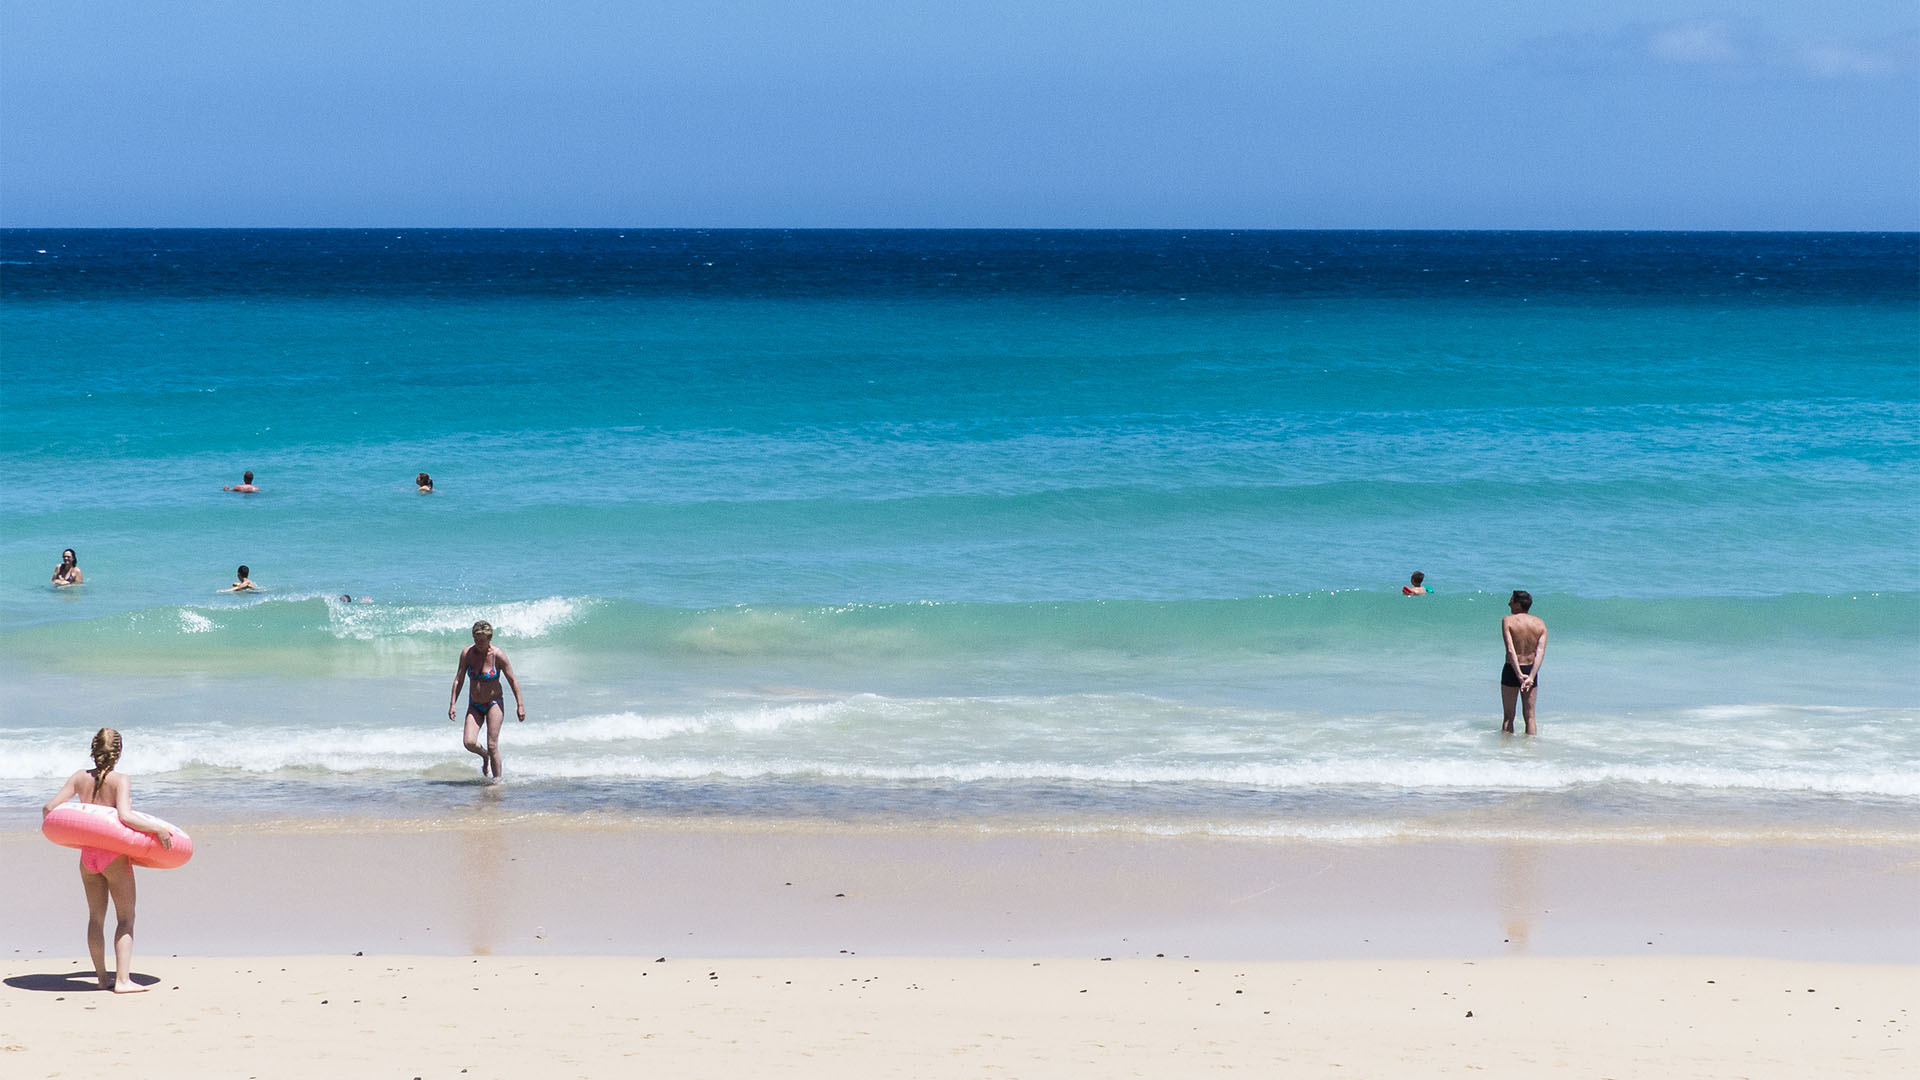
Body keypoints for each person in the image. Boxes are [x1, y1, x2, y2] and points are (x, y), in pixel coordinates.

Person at [41, 728, 174, 993]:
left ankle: (102, 978)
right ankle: (123, 980)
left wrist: (67, 834)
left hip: (87, 857)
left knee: (95, 918)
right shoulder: (120, 780)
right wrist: (156, 830)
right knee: (125, 918)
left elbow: (49, 809)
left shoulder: (79, 778)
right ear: (119, 752)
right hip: (113, 856)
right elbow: (125, 816)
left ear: (93, 749)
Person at [448, 620, 525, 780]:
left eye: (482, 640)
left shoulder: (498, 656)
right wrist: (453, 704)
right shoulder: (467, 653)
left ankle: (497, 783)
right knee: (469, 742)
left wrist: (520, 705)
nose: (478, 643)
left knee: (492, 745)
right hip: (474, 705)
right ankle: (484, 756)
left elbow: (513, 681)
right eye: (476, 639)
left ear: (489, 639)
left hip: (493, 704)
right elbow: (458, 679)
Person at [1500, 590, 1548, 735]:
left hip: (1511, 669)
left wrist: (1518, 674)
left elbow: (1510, 649)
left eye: (1511, 601)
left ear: (1518, 605)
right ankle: (1530, 753)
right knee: (1530, 717)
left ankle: (1506, 753)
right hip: (1530, 670)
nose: (1509, 603)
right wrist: (1531, 676)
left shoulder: (1508, 620)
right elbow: (1540, 652)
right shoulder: (1540, 624)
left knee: (1509, 716)